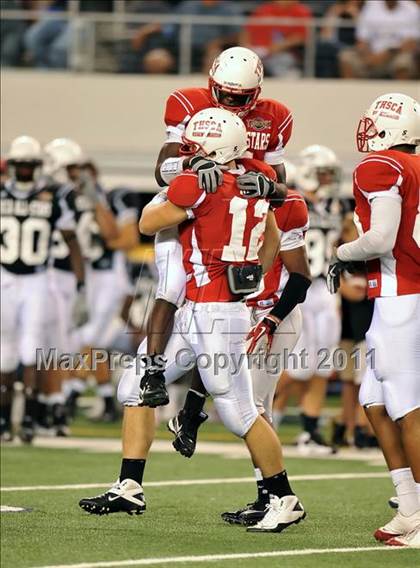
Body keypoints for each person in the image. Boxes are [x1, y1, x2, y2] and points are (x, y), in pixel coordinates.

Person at [79, 108, 306, 534]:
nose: (189, 151)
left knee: (240, 412)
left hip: (215, 313)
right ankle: (129, 486)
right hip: (205, 310)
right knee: (133, 386)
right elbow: (273, 233)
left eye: (197, 146)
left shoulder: (200, 183)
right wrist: (254, 272)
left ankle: (284, 497)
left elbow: (148, 223)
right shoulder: (258, 183)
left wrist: (184, 196)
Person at [154, 46, 293, 456]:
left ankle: (194, 406)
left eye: (239, 97)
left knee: (222, 318)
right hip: (187, 205)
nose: (230, 102)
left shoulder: (275, 115)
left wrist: (269, 188)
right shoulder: (185, 101)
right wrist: (192, 167)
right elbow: (162, 167)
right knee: (172, 284)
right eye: (224, 94)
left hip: (234, 218)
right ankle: (151, 371)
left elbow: (283, 187)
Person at [327, 92, 420, 548]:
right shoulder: (413, 168)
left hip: (404, 294)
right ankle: (409, 505)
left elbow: (382, 237)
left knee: (407, 407)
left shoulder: (379, 167)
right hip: (404, 294)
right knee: (374, 399)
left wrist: (341, 253)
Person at [221, 185, 311, 526]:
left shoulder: (286, 205)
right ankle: (268, 496)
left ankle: (278, 498)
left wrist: (272, 319)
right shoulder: (225, 204)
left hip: (276, 315)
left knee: (252, 407)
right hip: (245, 313)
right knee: (259, 408)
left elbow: (301, 278)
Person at [0, 136, 84, 443]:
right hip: (4, 278)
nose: (24, 170)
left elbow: (72, 240)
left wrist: (80, 284)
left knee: (33, 349)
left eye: (29, 165)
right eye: (20, 164)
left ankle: (32, 418)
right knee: (5, 354)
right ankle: (6, 420)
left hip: (37, 279)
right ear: (12, 165)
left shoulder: (53, 196)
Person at [280, 145, 349, 454]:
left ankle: (310, 431)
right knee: (298, 366)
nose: (328, 179)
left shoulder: (336, 204)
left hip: (326, 288)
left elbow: (344, 238)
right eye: (323, 172)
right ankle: (258, 411)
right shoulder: (289, 197)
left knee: (322, 364)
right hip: (298, 286)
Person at [339, 0, 420, 80]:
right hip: (371, 54)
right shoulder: (370, 6)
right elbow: (362, 38)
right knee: (346, 57)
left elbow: (411, 43)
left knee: (403, 63)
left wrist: (386, 54)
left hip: (396, 55)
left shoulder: (412, 8)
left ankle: (401, 92)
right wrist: (368, 56)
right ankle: (354, 92)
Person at [240, 0, 312, 77]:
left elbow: (302, 36)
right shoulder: (264, 9)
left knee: (283, 63)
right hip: (257, 51)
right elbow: (247, 31)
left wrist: (279, 46)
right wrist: (245, 49)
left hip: (283, 53)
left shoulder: (301, 11)